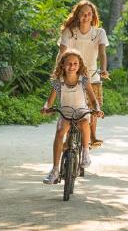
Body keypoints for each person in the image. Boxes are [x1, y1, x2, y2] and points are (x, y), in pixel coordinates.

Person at [41, 49, 104, 185]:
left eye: (75, 63)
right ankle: (55, 170)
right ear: (63, 64)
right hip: (66, 113)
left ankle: (85, 153)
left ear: (79, 65)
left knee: (83, 124)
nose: (72, 66)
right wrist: (46, 107)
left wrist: (97, 110)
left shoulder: (83, 80)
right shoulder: (58, 81)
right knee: (60, 131)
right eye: (69, 63)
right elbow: (50, 101)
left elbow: (93, 101)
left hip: (81, 112)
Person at [58, 0, 109, 146]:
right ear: (77, 15)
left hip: (92, 75)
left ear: (93, 16)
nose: (86, 17)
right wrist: (58, 70)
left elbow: (102, 54)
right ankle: (68, 138)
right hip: (72, 74)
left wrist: (104, 69)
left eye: (89, 14)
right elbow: (62, 53)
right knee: (70, 108)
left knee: (94, 107)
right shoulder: (69, 32)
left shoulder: (99, 33)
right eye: (82, 14)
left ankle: (92, 136)